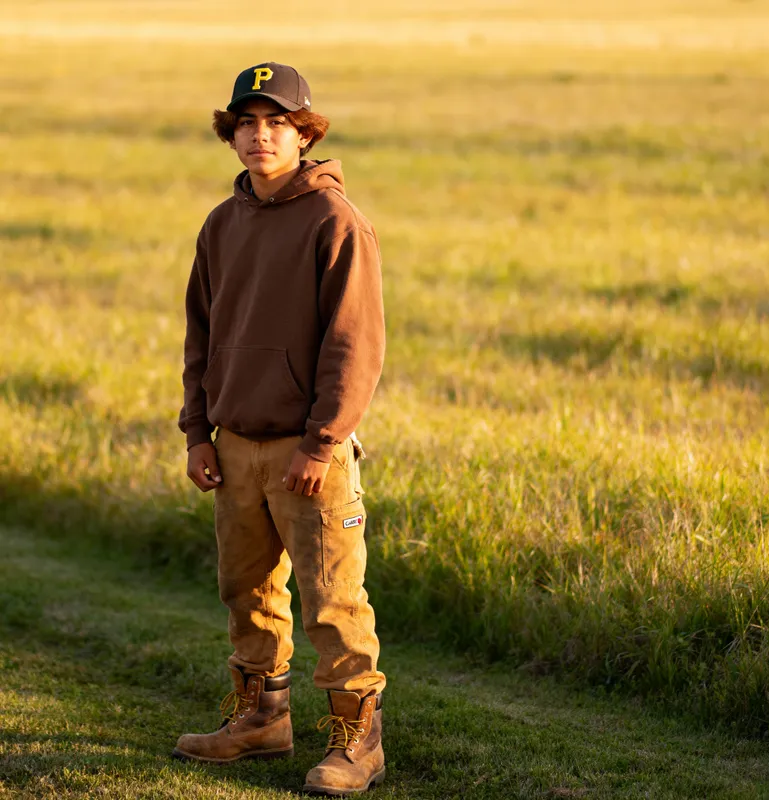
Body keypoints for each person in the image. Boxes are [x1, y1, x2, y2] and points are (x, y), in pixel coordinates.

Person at [174, 60, 386, 796]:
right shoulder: (221, 224)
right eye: (246, 123)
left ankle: (359, 743)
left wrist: (322, 441)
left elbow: (354, 344)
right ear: (231, 136)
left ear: (304, 134)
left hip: (308, 451)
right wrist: (199, 432)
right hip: (234, 447)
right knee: (248, 594)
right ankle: (259, 720)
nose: (260, 135)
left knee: (333, 601)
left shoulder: (335, 221)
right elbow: (202, 333)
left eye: (277, 123)